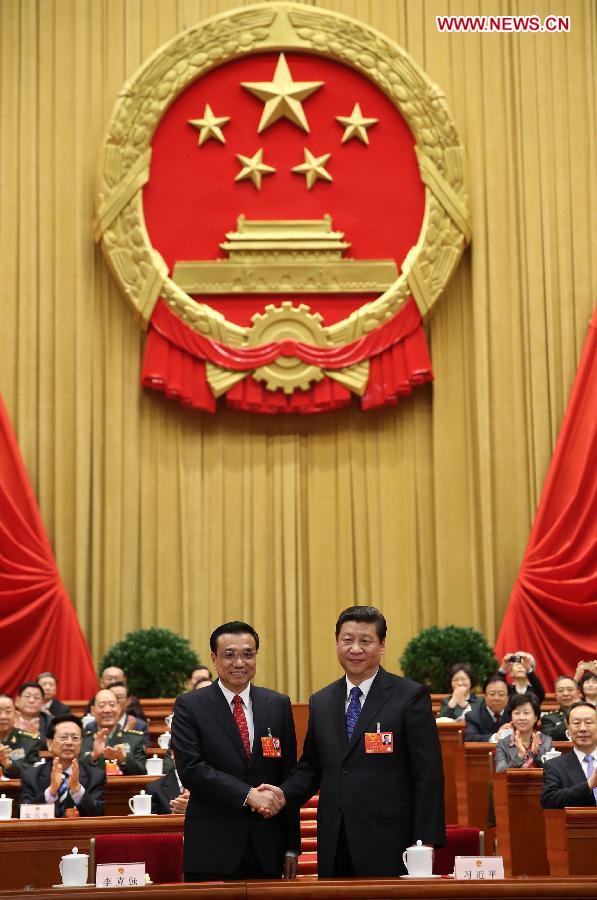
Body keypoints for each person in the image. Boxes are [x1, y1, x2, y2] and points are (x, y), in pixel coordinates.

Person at [265, 605, 445, 878]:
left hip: (391, 840)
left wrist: (425, 841)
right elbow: (311, 767)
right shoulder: (322, 701)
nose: (355, 649)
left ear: (382, 646)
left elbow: (427, 774)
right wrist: (282, 794)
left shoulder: (409, 696)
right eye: (347, 640)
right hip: (335, 838)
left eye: (366, 641)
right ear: (337, 644)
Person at [171, 621, 300, 882]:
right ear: (214, 658)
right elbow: (191, 770)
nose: (239, 662)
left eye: (247, 654)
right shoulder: (190, 705)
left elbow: (288, 778)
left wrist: (290, 847)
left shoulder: (278, 704)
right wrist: (247, 795)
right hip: (212, 848)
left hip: (267, 847)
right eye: (229, 654)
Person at [21, 715, 104, 816]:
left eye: (74, 738)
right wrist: (51, 792)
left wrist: (77, 790)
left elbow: (99, 814)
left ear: (80, 743)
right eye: (63, 737)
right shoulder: (31, 776)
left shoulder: (95, 776)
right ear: (49, 744)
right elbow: (23, 814)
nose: (69, 742)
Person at [541, 702, 597, 808]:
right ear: (568, 729)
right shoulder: (554, 766)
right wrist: (589, 785)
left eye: (589, 722)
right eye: (576, 723)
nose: (583, 729)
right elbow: (549, 801)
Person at [80, 688, 147, 774]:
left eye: (112, 705)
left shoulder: (135, 739)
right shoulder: (83, 740)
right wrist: (93, 756)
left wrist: (123, 759)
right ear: (93, 711)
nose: (107, 710)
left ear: (119, 709)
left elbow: (142, 772)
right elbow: (74, 771)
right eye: (101, 705)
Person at [495, 693, 552, 772]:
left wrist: (536, 754)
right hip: (513, 784)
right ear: (511, 717)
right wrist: (519, 757)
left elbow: (552, 771)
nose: (521, 718)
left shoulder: (546, 741)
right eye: (517, 713)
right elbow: (500, 772)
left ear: (535, 717)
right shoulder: (503, 744)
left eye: (526, 713)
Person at [0, 694, 42, 778]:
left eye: (8, 712)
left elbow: (34, 771)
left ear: (15, 715)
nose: (3, 717)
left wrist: (9, 764)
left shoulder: (30, 741)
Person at [464, 676, 511, 742]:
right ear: (485, 696)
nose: (496, 698)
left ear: (507, 697)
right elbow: (470, 738)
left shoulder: (513, 714)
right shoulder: (473, 716)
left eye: (501, 694)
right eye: (492, 694)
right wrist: (494, 737)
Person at [109, 682, 150, 747]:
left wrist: (127, 732)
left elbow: (142, 753)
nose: (115, 700)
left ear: (128, 701)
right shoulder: (93, 725)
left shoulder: (139, 726)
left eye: (119, 697)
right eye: (112, 697)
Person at [541, 676, 580, 741]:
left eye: (570, 689)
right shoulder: (548, 718)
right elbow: (547, 737)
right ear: (555, 695)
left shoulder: (590, 714)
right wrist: (571, 716)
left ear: (577, 693)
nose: (565, 694)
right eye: (560, 690)